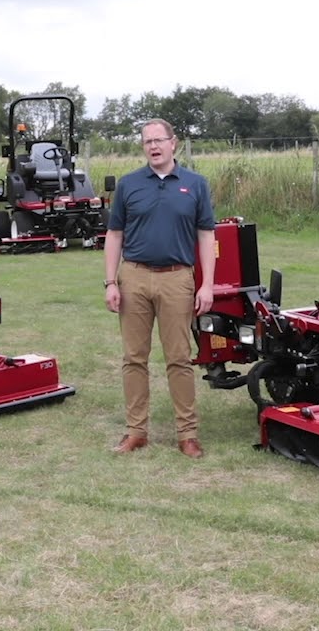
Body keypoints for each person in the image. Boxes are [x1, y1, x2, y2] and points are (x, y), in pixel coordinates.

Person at [103, 119, 216, 459]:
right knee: (134, 358)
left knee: (179, 359)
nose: (153, 146)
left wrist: (207, 285)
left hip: (178, 279)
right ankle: (136, 432)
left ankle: (187, 435)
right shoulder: (129, 184)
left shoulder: (195, 184)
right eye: (147, 141)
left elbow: (206, 235)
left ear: (173, 142)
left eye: (158, 140)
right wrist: (111, 281)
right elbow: (115, 234)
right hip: (134, 277)